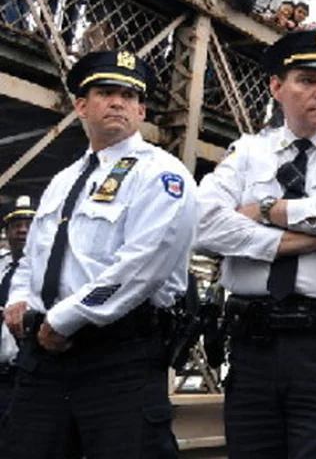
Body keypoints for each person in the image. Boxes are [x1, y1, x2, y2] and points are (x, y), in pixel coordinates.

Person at [194, 29, 316, 459]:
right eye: (307, 80)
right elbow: (201, 224)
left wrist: (267, 209)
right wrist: (305, 239)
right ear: (276, 87)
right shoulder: (249, 151)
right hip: (253, 349)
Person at [2, 50, 194, 458]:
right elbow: (32, 256)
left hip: (118, 357)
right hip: (45, 357)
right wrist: (19, 299)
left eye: (129, 96)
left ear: (141, 111)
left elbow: (142, 268)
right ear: (81, 106)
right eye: (106, 92)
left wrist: (64, 320)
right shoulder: (62, 181)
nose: (118, 103)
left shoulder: (162, 174)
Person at [0, 196, 36, 412]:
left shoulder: (50, 269)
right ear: (7, 232)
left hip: (27, 370)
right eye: (16, 226)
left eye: (29, 226)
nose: (22, 231)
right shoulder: (2, 266)